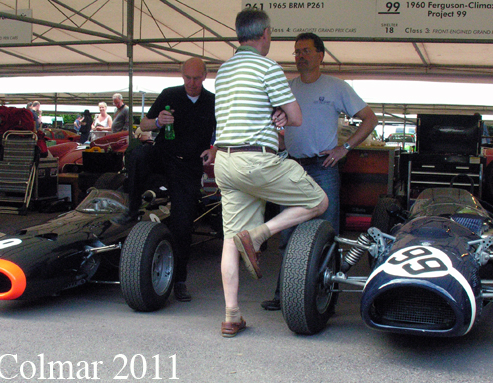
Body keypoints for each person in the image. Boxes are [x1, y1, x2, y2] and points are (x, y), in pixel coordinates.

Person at [213, 8, 328, 337]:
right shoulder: (268, 67)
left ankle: (231, 314)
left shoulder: (223, 71)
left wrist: (272, 111)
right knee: (317, 201)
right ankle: (263, 234)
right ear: (265, 35)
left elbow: (247, 109)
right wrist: (282, 113)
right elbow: (296, 117)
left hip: (226, 162)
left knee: (230, 241)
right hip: (257, 161)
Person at [260, 32, 378, 311]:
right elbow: (271, 122)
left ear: (320, 55)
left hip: (323, 168)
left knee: (327, 234)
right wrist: (278, 141)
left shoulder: (337, 87)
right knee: (288, 234)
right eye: (296, 52)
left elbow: (370, 119)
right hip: (290, 168)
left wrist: (344, 147)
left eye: (306, 51)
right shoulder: (286, 88)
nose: (300, 56)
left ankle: (327, 298)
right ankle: (284, 294)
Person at [113, 57, 217, 303]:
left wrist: (214, 149)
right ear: (182, 76)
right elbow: (144, 124)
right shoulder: (169, 94)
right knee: (137, 154)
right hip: (164, 153)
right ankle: (132, 207)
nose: (191, 83)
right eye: (187, 78)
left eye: (196, 78)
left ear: (204, 76)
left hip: (188, 165)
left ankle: (179, 279)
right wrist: (158, 121)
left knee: (182, 225)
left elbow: (224, 132)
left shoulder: (213, 102)